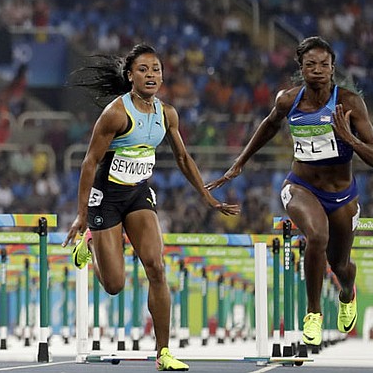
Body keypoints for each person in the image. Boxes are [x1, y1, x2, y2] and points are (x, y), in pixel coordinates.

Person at [62, 43, 240, 371]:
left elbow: (184, 158)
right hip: (107, 197)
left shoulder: (167, 114)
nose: (151, 75)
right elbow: (90, 162)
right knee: (114, 285)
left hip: (139, 195)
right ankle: (89, 244)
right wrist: (81, 215)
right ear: (130, 76)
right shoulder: (116, 113)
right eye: (143, 70)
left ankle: (163, 352)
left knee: (157, 267)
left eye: (156, 69)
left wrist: (207, 196)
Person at [206, 36, 373, 348]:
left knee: (341, 265)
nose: (317, 69)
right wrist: (240, 162)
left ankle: (346, 293)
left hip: (342, 193)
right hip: (301, 186)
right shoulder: (288, 100)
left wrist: (348, 137)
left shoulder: (350, 103)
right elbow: (268, 125)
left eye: (323, 65)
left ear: (333, 69)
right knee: (316, 236)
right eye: (310, 64)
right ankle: (312, 314)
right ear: (301, 68)